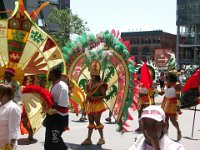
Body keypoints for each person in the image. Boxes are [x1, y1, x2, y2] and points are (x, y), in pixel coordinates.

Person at [81, 60, 108, 145]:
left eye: (93, 75)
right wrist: (85, 103)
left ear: (96, 75)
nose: (92, 76)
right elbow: (88, 95)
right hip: (90, 104)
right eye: (91, 74)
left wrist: (95, 97)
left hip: (98, 105)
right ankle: (88, 139)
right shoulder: (89, 83)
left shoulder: (101, 84)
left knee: (97, 121)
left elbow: (104, 95)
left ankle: (102, 138)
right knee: (90, 122)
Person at [44, 64, 69, 150]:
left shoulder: (62, 86)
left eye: (50, 73)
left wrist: (50, 104)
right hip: (52, 117)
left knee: (55, 140)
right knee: (48, 142)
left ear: (53, 74)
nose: (48, 74)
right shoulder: (54, 85)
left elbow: (64, 107)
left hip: (59, 118)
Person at [160, 72, 182, 141]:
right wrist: (153, 89)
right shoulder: (166, 83)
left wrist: (178, 106)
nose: (167, 78)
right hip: (165, 103)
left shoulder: (177, 85)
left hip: (173, 104)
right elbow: (161, 93)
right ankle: (166, 135)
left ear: (172, 78)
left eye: (168, 77)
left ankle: (178, 131)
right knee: (165, 120)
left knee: (173, 120)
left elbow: (178, 97)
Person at [0, 84, 21, 149]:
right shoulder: (1, 105)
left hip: (5, 146)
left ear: (7, 95)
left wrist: (11, 146)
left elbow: (14, 129)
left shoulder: (13, 108)